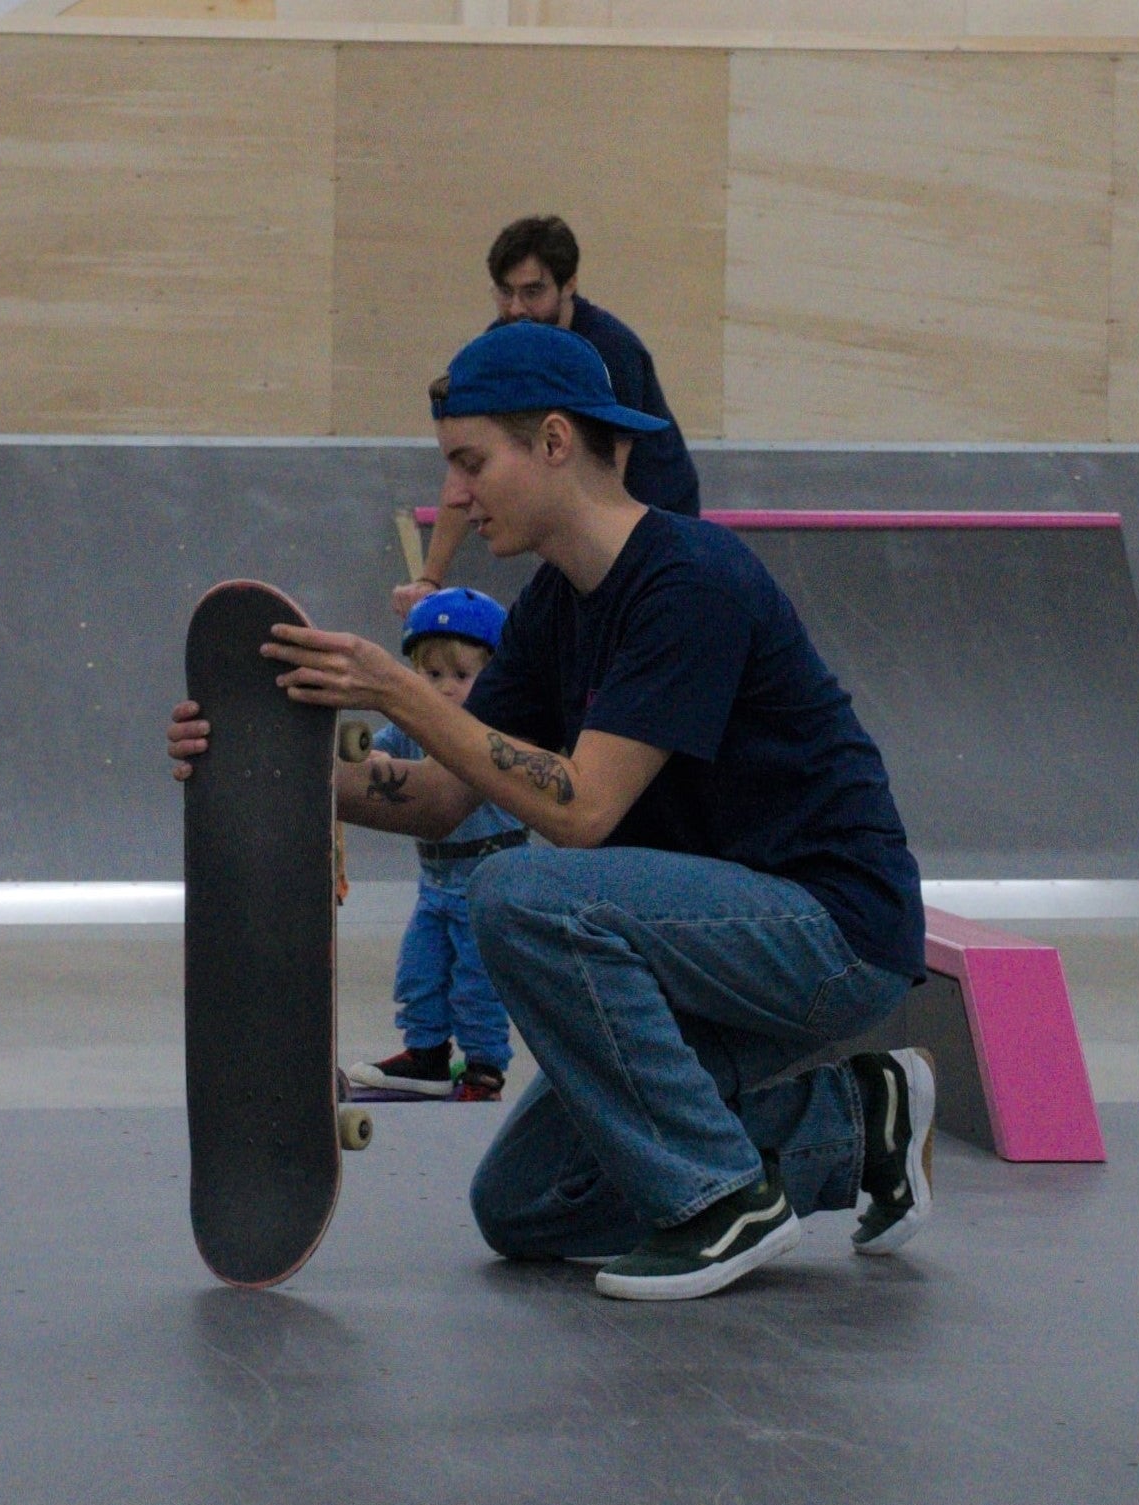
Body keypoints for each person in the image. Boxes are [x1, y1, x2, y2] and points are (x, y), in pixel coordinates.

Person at [172, 321, 937, 1302]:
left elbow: (580, 812)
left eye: (470, 461)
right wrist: (269, 772)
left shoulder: (688, 579)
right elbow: (452, 793)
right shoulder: (551, 606)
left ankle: (722, 1203)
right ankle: (856, 1116)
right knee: (528, 1204)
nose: (454, 494)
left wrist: (400, 692)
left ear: (554, 442)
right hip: (700, 943)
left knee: (522, 890)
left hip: (828, 933)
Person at [392, 215, 701, 620]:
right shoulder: (502, 347)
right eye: (505, 292)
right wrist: (430, 580)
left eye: (532, 291)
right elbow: (465, 461)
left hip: (654, 510)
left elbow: (608, 476)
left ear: (569, 284)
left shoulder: (612, 349)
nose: (517, 308)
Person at [344, 588, 526, 1103]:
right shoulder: (408, 728)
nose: (445, 690)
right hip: (435, 886)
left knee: (476, 985)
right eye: (431, 676)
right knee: (418, 973)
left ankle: (484, 1068)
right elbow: (369, 763)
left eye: (462, 677)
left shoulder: (496, 732)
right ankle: (426, 1055)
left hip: (488, 884)